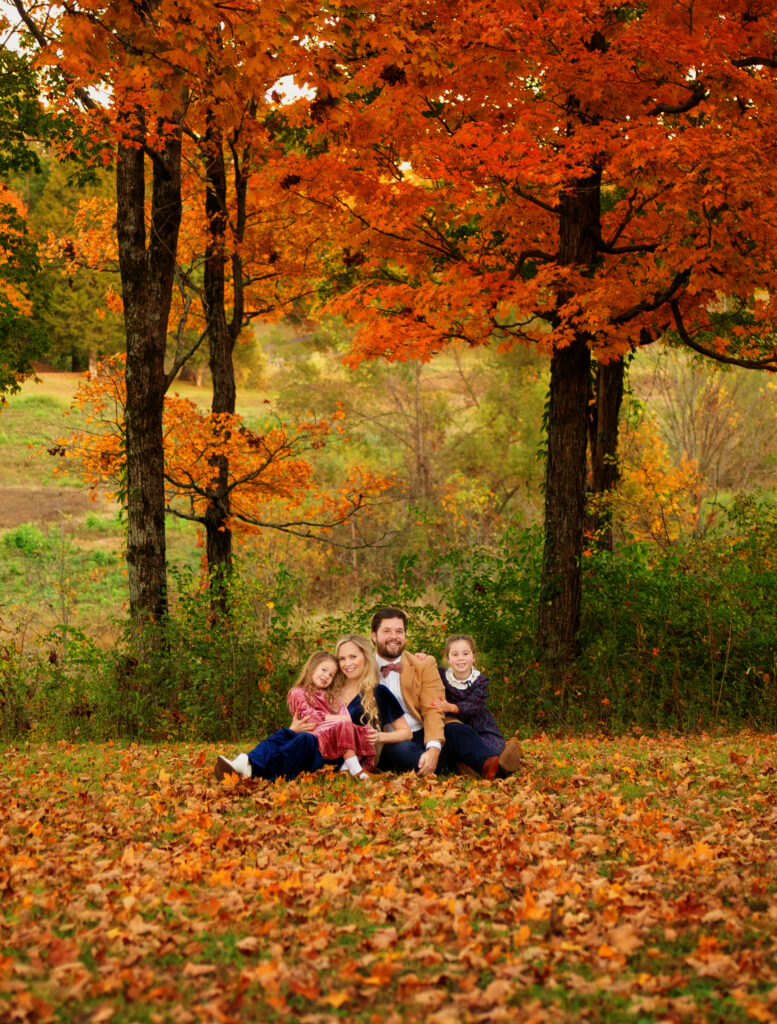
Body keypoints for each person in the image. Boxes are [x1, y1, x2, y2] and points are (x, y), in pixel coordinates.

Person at [370, 606, 502, 778]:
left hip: (424, 730)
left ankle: (493, 766)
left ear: (405, 635)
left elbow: (432, 708)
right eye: (387, 631)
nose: (394, 637)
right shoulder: (363, 667)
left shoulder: (423, 664)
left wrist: (433, 747)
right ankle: (455, 764)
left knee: (457, 730)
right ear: (374, 636)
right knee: (404, 753)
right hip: (392, 739)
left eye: (399, 631)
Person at [432, 634, 522, 774]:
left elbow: (474, 705)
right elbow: (424, 668)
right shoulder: (442, 675)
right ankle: (466, 766)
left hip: (480, 726)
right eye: (455, 654)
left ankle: (497, 763)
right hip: (456, 728)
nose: (461, 658)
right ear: (448, 659)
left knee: (489, 746)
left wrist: (452, 707)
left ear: (473, 657)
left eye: (465, 653)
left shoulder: (480, 681)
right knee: (452, 746)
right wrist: (421, 658)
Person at [335, 634, 412, 758]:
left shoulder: (379, 692)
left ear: (365, 658)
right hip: (325, 749)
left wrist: (379, 737)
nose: (347, 663)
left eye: (353, 657)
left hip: (355, 758)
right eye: (342, 659)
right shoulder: (332, 689)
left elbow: (406, 733)